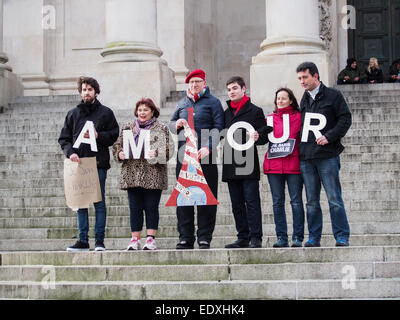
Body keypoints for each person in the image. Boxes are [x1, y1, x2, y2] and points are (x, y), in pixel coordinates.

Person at [58, 76, 119, 252]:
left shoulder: (106, 113)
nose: (87, 92)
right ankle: (83, 240)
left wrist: (99, 135)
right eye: (84, 89)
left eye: (90, 89)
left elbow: (114, 134)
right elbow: (64, 138)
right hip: (79, 164)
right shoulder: (73, 114)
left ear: (96, 92)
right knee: (81, 202)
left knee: (98, 202)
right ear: (80, 92)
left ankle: (99, 241)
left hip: (98, 163)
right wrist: (71, 153)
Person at [296, 62, 352, 247]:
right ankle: (314, 237)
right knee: (311, 201)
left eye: (305, 77)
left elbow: (345, 118)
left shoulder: (333, 95)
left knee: (334, 198)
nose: (302, 81)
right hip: (307, 158)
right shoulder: (303, 99)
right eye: (299, 78)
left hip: (327, 155)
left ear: (316, 76)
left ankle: (342, 236)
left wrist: (329, 136)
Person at [170, 69, 224, 249]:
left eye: (198, 82)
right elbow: (171, 124)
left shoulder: (213, 102)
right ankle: (185, 236)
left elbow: (218, 127)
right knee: (184, 199)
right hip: (184, 156)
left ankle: (204, 236)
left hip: (206, 156)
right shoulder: (182, 103)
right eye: (192, 82)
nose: (194, 85)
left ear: (204, 83)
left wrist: (209, 146)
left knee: (206, 198)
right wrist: (175, 124)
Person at [113, 98, 170, 251]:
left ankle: (150, 239)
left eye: (145, 110)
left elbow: (168, 150)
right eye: (139, 110)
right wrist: (120, 153)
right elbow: (117, 146)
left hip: (153, 174)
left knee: (151, 207)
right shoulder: (128, 127)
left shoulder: (161, 127)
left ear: (152, 111)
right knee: (134, 208)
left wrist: (157, 153)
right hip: (132, 174)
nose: (142, 113)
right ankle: (135, 239)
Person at [222, 76, 271, 249]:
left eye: (235, 88)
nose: (231, 92)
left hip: (248, 160)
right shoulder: (226, 112)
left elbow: (265, 133)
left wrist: (258, 136)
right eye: (229, 89)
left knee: (251, 200)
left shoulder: (255, 111)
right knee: (236, 203)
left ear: (244, 89)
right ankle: (242, 236)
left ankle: (255, 236)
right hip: (230, 160)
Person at [263, 88, 305, 248]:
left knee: (296, 201)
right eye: (278, 99)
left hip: (293, 164)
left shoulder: (299, 118)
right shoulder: (270, 119)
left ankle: (297, 237)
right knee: (277, 203)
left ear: (291, 101)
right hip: (274, 166)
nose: (279, 101)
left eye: (283, 98)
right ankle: (281, 237)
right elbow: (262, 138)